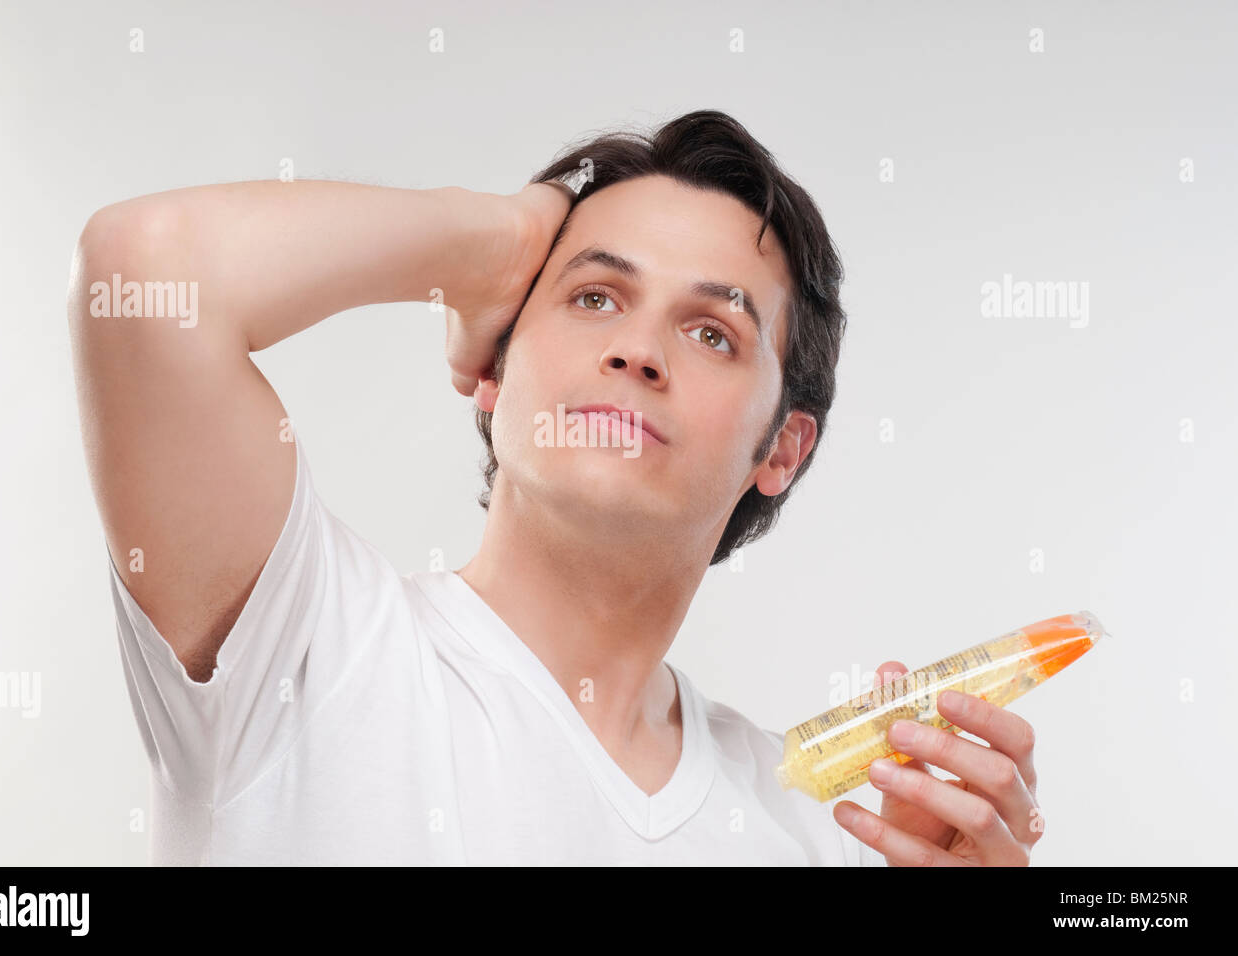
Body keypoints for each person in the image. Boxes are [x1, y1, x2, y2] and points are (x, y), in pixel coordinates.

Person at [67, 109, 1044, 865]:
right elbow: (144, 270)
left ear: (780, 448)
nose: (637, 349)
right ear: (490, 369)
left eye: (713, 331)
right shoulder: (303, 651)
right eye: (593, 295)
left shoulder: (814, 825)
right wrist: (489, 238)